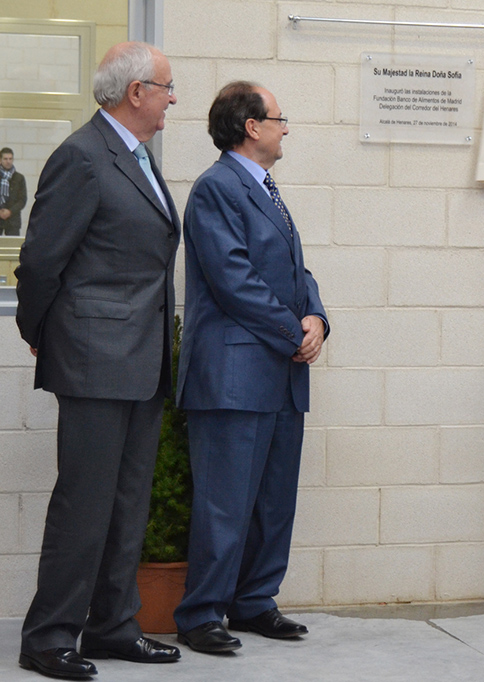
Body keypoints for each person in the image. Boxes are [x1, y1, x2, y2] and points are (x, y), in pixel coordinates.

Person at [14, 42, 181, 678]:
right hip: (94, 359)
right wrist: (42, 332)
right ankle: (49, 636)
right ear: (135, 92)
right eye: (166, 87)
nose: (171, 98)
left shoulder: (137, 157)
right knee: (84, 504)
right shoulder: (82, 157)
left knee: (126, 503)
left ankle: (111, 627)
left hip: (140, 362)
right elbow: (40, 261)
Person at [173, 81, 328, 654]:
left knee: (273, 500)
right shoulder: (217, 189)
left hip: (281, 375)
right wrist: (295, 334)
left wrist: (316, 318)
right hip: (233, 378)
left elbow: (296, 273)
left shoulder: (266, 188)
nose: (286, 128)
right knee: (225, 501)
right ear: (251, 127)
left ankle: (254, 601)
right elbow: (234, 280)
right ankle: (200, 614)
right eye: (279, 118)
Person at [0, 147, 27, 235]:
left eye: (10, 159)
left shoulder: (19, 178)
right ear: (0, 160)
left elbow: (22, 200)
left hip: (13, 221)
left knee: (12, 246)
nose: (8, 161)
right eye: (5, 159)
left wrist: (10, 211)